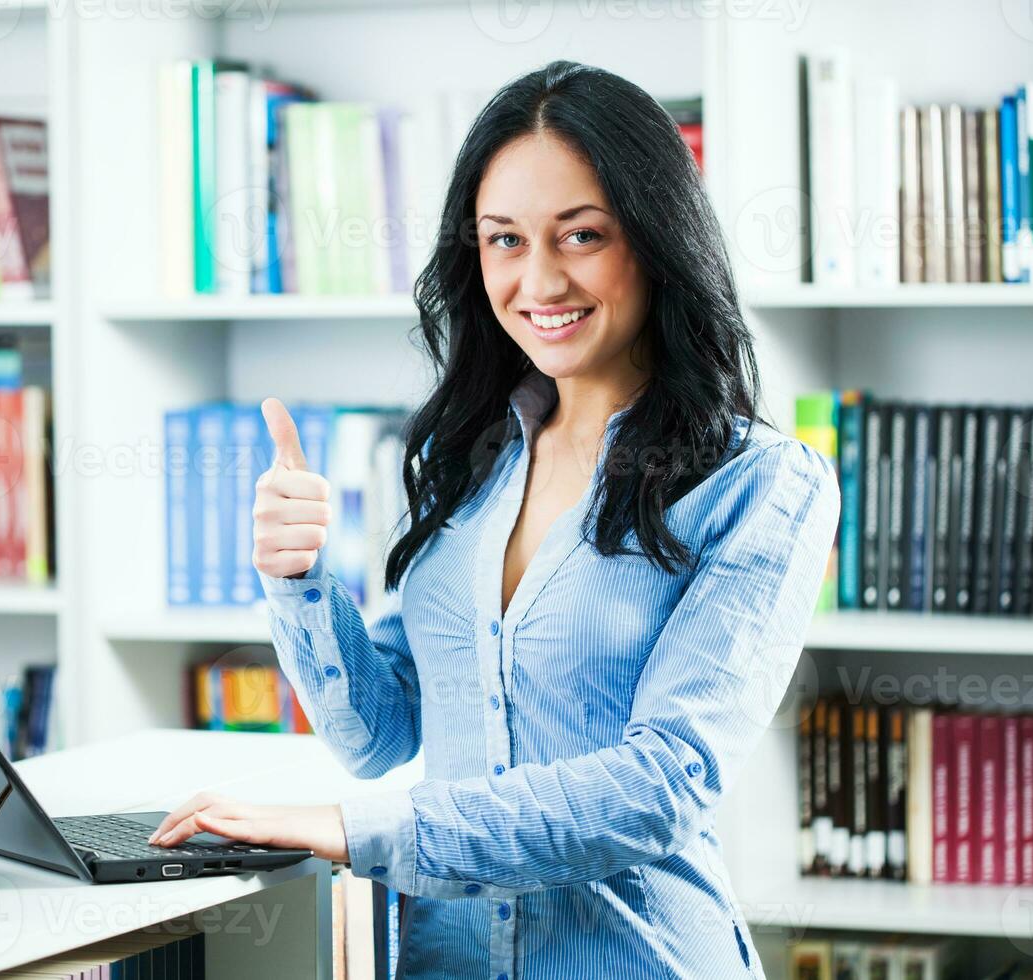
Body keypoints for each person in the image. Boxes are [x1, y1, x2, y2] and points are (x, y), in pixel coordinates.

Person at [151, 59, 839, 979]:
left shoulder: (762, 484)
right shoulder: (466, 457)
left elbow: (662, 785)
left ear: (657, 238)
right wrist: (298, 582)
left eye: (582, 235)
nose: (540, 280)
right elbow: (380, 733)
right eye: (504, 240)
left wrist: (353, 834)